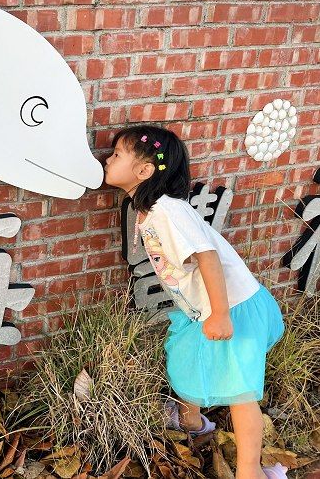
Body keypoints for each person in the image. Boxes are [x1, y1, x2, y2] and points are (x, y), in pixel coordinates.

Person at [104, 125, 287, 479]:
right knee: (184, 354)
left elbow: (207, 256)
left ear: (143, 172)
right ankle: (190, 419)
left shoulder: (167, 212)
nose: (106, 160)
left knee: (241, 391)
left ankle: (251, 472)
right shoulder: (152, 209)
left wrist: (220, 314)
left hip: (230, 306)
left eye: (115, 155)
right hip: (203, 307)